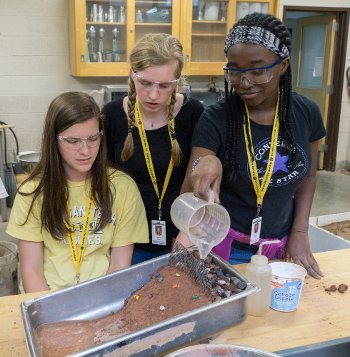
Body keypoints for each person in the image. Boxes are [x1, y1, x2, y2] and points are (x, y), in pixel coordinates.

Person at [182, 13, 326, 279]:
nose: (244, 83)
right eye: (234, 71)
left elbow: (308, 176)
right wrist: (204, 163)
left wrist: (300, 231)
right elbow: (189, 195)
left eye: (258, 70)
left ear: (283, 66)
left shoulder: (307, 112)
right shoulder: (217, 118)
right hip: (228, 246)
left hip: (281, 246)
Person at [6, 92, 148, 292]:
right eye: (73, 141)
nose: (85, 151)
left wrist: (98, 311)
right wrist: (50, 315)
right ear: (53, 140)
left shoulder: (122, 187)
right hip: (46, 297)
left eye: (92, 139)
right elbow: (31, 269)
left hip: (101, 297)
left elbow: (119, 267)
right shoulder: (32, 192)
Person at [103, 33, 204, 264]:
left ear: (177, 82)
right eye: (145, 83)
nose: (153, 95)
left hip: (182, 239)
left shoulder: (193, 114)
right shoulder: (111, 115)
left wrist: (185, 240)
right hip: (126, 243)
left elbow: (201, 183)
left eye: (164, 86)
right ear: (132, 74)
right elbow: (104, 184)